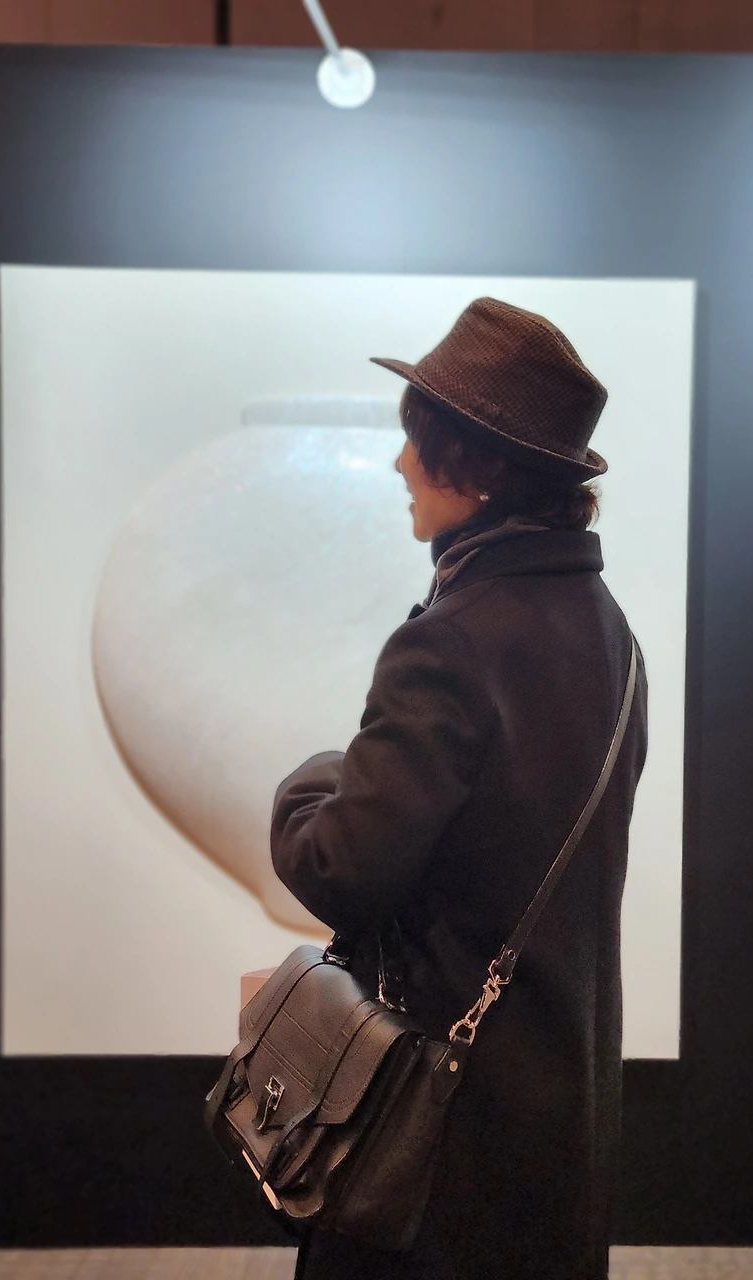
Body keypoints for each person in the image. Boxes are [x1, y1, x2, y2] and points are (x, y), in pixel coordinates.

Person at [271, 297, 648, 1280]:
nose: (401, 464)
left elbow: (342, 868)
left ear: (478, 471)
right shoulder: (610, 632)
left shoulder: (450, 642)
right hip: (557, 1102)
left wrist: (306, 783)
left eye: (417, 442)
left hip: (434, 1123)